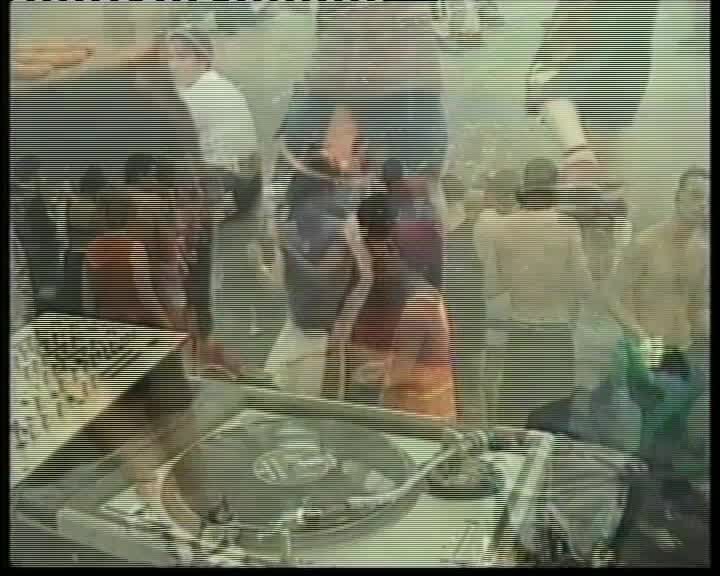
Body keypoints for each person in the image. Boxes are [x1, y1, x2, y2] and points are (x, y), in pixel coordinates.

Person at [491, 158, 595, 428]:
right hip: (555, 331)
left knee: (511, 417)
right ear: (554, 188)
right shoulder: (566, 226)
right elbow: (585, 286)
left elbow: (494, 284)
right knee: (552, 421)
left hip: (519, 331)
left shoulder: (502, 227)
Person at [264, 153, 372, 396]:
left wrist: (285, 249)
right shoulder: (296, 226)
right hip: (300, 326)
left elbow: (322, 279)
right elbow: (279, 283)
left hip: (324, 332)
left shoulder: (341, 228)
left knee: (309, 400)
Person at [344, 192, 456, 421]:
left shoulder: (418, 306)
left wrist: (365, 374)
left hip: (415, 416)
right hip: (426, 408)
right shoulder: (428, 296)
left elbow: (399, 374)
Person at [526, 1, 660, 190]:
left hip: (596, 41)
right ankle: (598, 179)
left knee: (545, 81)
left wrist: (567, 19)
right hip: (630, 57)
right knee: (604, 126)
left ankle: (579, 158)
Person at [210, 162, 286, 375]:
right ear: (257, 200)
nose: (274, 202)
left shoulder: (224, 227)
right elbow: (268, 271)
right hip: (256, 302)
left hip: (232, 300)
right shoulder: (257, 231)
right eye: (269, 198)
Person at [166, 24, 258, 180]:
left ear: (203, 59)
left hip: (224, 176)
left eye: (182, 57)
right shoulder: (217, 81)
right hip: (246, 174)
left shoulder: (199, 94)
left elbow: (162, 137)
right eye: (168, 57)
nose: (172, 65)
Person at [472, 169, 521, 425]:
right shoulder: (508, 224)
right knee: (498, 370)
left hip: (486, 301)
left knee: (487, 371)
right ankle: (496, 422)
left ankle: (490, 421)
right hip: (507, 302)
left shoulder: (482, 221)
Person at [83, 190, 172, 330]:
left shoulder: (91, 248)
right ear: (130, 216)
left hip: (105, 320)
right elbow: (146, 294)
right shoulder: (135, 248)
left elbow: (88, 297)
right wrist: (166, 323)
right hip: (134, 321)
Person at [441, 173, 488, 426]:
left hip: (450, 315)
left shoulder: (443, 232)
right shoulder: (478, 232)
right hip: (470, 314)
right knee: (470, 380)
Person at [11, 155, 66, 315]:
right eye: (39, 172)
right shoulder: (34, 196)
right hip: (40, 248)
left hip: (22, 247)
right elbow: (47, 226)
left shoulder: (18, 193)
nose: (43, 176)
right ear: (32, 173)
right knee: (45, 291)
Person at [58, 165, 106, 315]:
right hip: (82, 257)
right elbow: (98, 230)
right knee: (84, 304)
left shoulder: (76, 203)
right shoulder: (85, 206)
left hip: (76, 256)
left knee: (77, 302)